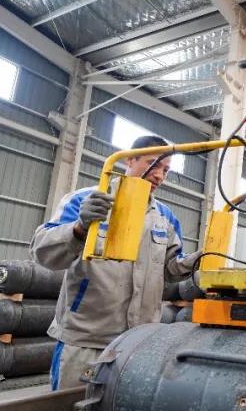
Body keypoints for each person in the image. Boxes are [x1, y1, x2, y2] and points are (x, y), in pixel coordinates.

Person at [31, 134, 201, 390]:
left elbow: (169, 269)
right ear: (129, 160)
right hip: (86, 340)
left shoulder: (165, 218)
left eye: (166, 170)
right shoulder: (88, 201)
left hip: (138, 342)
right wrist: (79, 227)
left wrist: (197, 261)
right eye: (152, 164)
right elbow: (42, 252)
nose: (159, 175)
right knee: (69, 410)